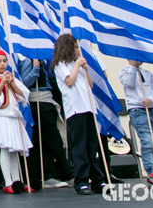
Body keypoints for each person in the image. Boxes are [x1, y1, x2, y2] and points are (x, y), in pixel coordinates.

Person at [51, 35, 104, 195]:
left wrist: (85, 69)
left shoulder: (77, 65)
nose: (77, 50)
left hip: (89, 108)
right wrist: (77, 67)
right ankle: (81, 180)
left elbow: (90, 85)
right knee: (80, 146)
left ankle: (97, 180)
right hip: (76, 110)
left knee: (92, 146)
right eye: (74, 47)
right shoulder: (61, 65)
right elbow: (69, 82)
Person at [19, 56, 72, 188]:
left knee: (46, 140)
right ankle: (68, 173)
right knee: (54, 140)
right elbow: (24, 83)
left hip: (47, 102)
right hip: (38, 102)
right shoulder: (28, 60)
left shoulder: (43, 60)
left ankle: (48, 174)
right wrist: (36, 68)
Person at [0, 50, 33, 194]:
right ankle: (8, 182)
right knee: (5, 149)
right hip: (2, 118)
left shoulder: (12, 77)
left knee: (14, 150)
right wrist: (3, 83)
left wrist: (12, 83)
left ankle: (17, 181)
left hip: (13, 118)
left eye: (4, 61)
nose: (2, 64)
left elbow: (24, 95)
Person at [119, 60, 153, 187]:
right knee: (147, 141)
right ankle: (151, 172)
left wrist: (151, 99)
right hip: (138, 109)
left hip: (151, 109)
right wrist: (133, 67)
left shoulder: (148, 73)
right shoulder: (124, 71)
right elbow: (129, 83)